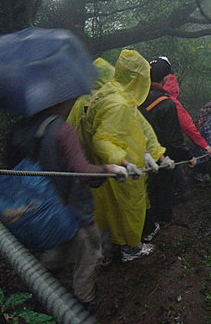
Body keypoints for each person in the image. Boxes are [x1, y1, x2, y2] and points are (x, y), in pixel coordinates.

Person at [4, 99, 128, 312]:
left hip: (42, 206)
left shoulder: (26, 127)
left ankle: (40, 286)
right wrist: (110, 169)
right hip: (72, 208)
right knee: (90, 254)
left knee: (60, 248)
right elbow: (83, 172)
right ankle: (84, 300)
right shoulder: (61, 129)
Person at [80, 49, 168, 263]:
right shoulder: (118, 103)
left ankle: (116, 249)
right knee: (128, 210)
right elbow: (102, 140)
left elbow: (138, 127)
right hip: (123, 170)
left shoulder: (114, 93)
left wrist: (151, 152)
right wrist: (124, 162)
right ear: (137, 78)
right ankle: (131, 249)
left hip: (122, 166)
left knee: (115, 210)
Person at [139, 57, 197, 226]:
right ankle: (162, 222)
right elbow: (174, 140)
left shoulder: (137, 96)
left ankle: (147, 222)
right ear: (165, 78)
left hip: (138, 154)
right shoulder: (167, 104)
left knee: (145, 191)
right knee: (164, 191)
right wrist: (188, 156)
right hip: (164, 157)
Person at [162, 61, 211, 198]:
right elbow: (188, 126)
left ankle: (181, 192)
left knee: (171, 169)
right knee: (170, 170)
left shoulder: (146, 93)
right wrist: (204, 145)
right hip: (167, 147)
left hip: (151, 149)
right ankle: (178, 196)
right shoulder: (169, 100)